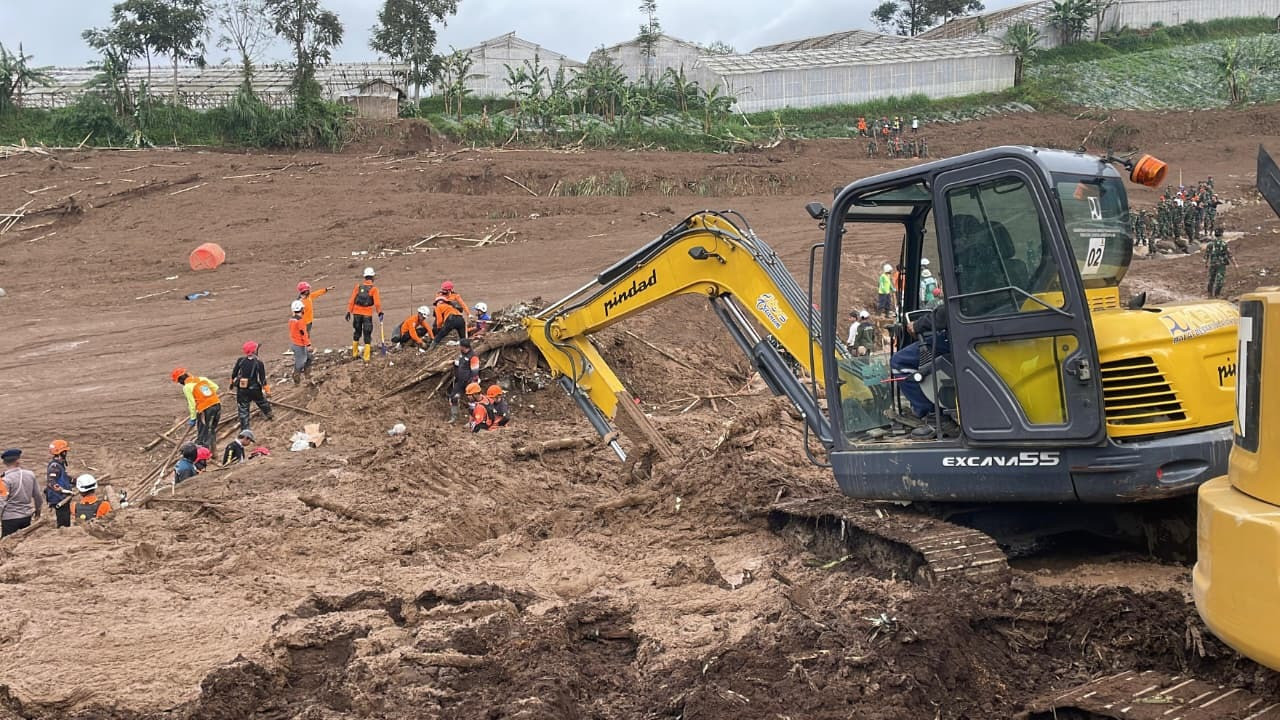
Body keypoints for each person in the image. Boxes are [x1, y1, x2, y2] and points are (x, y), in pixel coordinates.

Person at [890, 305, 956, 438]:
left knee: (899, 362)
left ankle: (935, 416)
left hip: (955, 337)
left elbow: (948, 311)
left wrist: (919, 324)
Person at [173, 368, 220, 449]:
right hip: (217, 405)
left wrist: (193, 418)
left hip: (205, 410)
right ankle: (213, 451)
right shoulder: (202, 379)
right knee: (211, 429)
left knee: (203, 434)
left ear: (181, 380)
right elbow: (215, 387)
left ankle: (203, 454)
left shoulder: (187, 387)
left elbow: (192, 404)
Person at [231, 341, 273, 431]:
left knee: (243, 409)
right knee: (262, 402)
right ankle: (269, 415)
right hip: (255, 389)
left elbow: (234, 374)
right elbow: (262, 380)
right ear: (254, 351)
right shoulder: (259, 363)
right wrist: (267, 390)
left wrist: (231, 384)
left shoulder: (240, 361)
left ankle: (245, 429)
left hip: (242, 389)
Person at [345, 267, 383, 363]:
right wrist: (379, 313)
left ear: (365, 277)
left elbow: (352, 300)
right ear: (373, 277)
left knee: (357, 333)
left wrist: (349, 311)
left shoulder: (358, 287)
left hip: (356, 314)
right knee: (367, 335)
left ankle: (355, 354)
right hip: (367, 314)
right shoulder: (374, 289)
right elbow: (377, 303)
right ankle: (366, 357)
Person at [1, 448, 42, 536]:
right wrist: (38, 512)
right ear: (18, 461)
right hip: (26, 516)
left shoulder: (4, 480)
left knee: (6, 545)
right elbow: (38, 496)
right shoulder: (30, 474)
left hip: (10, 518)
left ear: (4, 462)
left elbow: (1, 502)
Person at [448, 338, 481, 424]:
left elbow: (475, 371)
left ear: (463, 347)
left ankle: (472, 420)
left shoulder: (473, 356)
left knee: (472, 401)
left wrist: (473, 384)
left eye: (460, 346)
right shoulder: (461, 355)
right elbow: (457, 363)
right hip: (460, 382)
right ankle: (454, 417)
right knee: (453, 397)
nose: (459, 347)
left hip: (469, 382)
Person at [45, 439, 74, 528]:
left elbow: (64, 478)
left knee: (65, 521)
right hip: (59, 499)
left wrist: (77, 481)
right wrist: (64, 491)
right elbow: (51, 482)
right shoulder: (55, 466)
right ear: (62, 452)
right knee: (63, 524)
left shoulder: (59, 465)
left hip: (62, 498)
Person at [288, 300, 315, 384]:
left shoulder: (291, 320)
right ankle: (296, 379)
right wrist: (309, 345)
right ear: (301, 309)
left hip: (295, 343)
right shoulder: (300, 321)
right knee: (300, 363)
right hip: (300, 345)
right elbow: (304, 334)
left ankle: (307, 374)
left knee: (309, 358)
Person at [1205, 227, 1234, 298]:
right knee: (1220, 280)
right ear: (1221, 234)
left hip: (1213, 264)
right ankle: (1217, 294)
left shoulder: (1210, 244)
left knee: (1211, 279)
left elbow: (1206, 255)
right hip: (1221, 264)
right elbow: (1229, 255)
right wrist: (1235, 264)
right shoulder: (1224, 244)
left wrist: (1205, 264)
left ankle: (1209, 294)